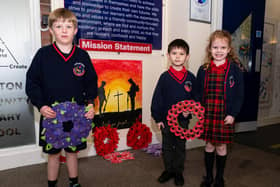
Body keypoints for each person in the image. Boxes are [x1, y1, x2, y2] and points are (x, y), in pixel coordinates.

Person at [25, 8, 98, 187]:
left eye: (68, 26)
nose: (64, 30)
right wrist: (41, 105)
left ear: (75, 30)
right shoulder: (43, 55)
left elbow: (91, 84)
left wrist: (90, 105)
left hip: (77, 118)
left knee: (72, 152)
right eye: (58, 26)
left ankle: (74, 182)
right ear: (51, 31)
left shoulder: (82, 56)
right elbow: (32, 83)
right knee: (54, 154)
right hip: (52, 117)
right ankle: (52, 184)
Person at [197, 30, 244, 187]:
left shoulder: (235, 70)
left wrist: (233, 114)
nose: (218, 51)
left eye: (223, 48)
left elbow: (239, 95)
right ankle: (209, 176)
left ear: (229, 50)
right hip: (208, 113)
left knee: (222, 146)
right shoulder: (203, 69)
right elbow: (198, 93)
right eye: (215, 47)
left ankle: (219, 178)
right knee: (209, 145)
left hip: (225, 114)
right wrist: (197, 109)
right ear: (210, 49)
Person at [151, 39, 197, 186]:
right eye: (174, 53)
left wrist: (189, 110)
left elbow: (196, 99)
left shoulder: (190, 78)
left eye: (181, 54)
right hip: (166, 120)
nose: (178, 56)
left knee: (180, 147)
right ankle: (168, 170)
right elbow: (157, 99)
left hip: (182, 121)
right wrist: (158, 118)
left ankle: (178, 171)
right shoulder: (164, 77)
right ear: (169, 56)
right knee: (167, 146)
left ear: (187, 57)